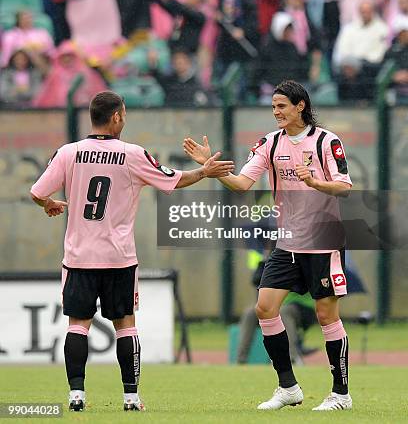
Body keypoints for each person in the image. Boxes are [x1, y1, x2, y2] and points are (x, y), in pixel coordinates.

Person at [30, 90, 234, 412]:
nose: (124, 119)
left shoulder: (68, 153)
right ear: (116, 117)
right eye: (124, 114)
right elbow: (173, 180)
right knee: (125, 324)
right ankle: (131, 398)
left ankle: (76, 395)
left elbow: (37, 191)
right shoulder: (132, 154)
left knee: (77, 324)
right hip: (118, 257)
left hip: (79, 257)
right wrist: (204, 172)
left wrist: (49, 204)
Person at [184, 80, 353, 411]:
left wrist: (315, 182)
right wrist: (210, 170)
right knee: (264, 308)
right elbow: (242, 184)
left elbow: (344, 188)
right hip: (287, 241)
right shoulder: (269, 144)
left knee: (325, 314)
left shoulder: (327, 142)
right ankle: (288, 386)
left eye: (282, 106)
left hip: (323, 239)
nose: (276, 112)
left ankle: (341, 394)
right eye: (273, 107)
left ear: (300, 106)